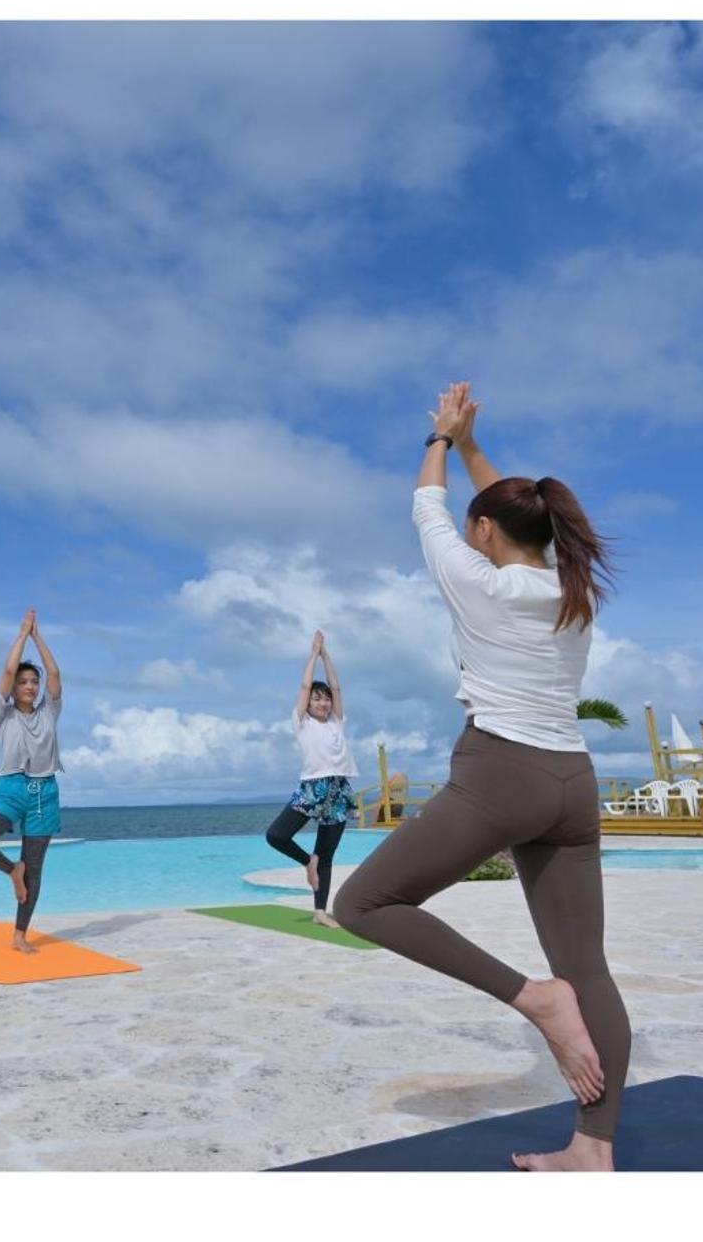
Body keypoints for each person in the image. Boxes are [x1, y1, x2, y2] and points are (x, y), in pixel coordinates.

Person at [334, 382, 631, 1171]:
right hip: (572, 781)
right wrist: (471, 448)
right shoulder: (570, 590)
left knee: (362, 903)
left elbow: (425, 508)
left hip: (502, 772)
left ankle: (533, 998)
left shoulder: (480, 583)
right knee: (589, 969)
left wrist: (440, 438)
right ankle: (592, 1152)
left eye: (481, 525)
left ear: (486, 532)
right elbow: (513, 516)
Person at [0, 608, 63, 956]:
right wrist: (23, 635)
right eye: (23, 682)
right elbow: (8, 671)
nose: (30, 686)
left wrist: (39, 637)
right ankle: (12, 870)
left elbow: (54, 674)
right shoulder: (2, 712)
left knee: (35, 869)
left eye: (33, 682)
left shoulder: (49, 712)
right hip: (9, 787)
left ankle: (19, 935)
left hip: (44, 792)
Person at [265, 630, 359, 926]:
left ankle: (320, 912)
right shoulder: (301, 722)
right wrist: (313, 654)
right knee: (276, 836)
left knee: (327, 854)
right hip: (312, 789)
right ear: (307, 704)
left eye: (326, 699)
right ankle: (308, 861)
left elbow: (337, 687)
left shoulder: (336, 722)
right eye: (317, 699)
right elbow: (306, 685)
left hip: (338, 790)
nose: (323, 703)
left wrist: (326, 655)